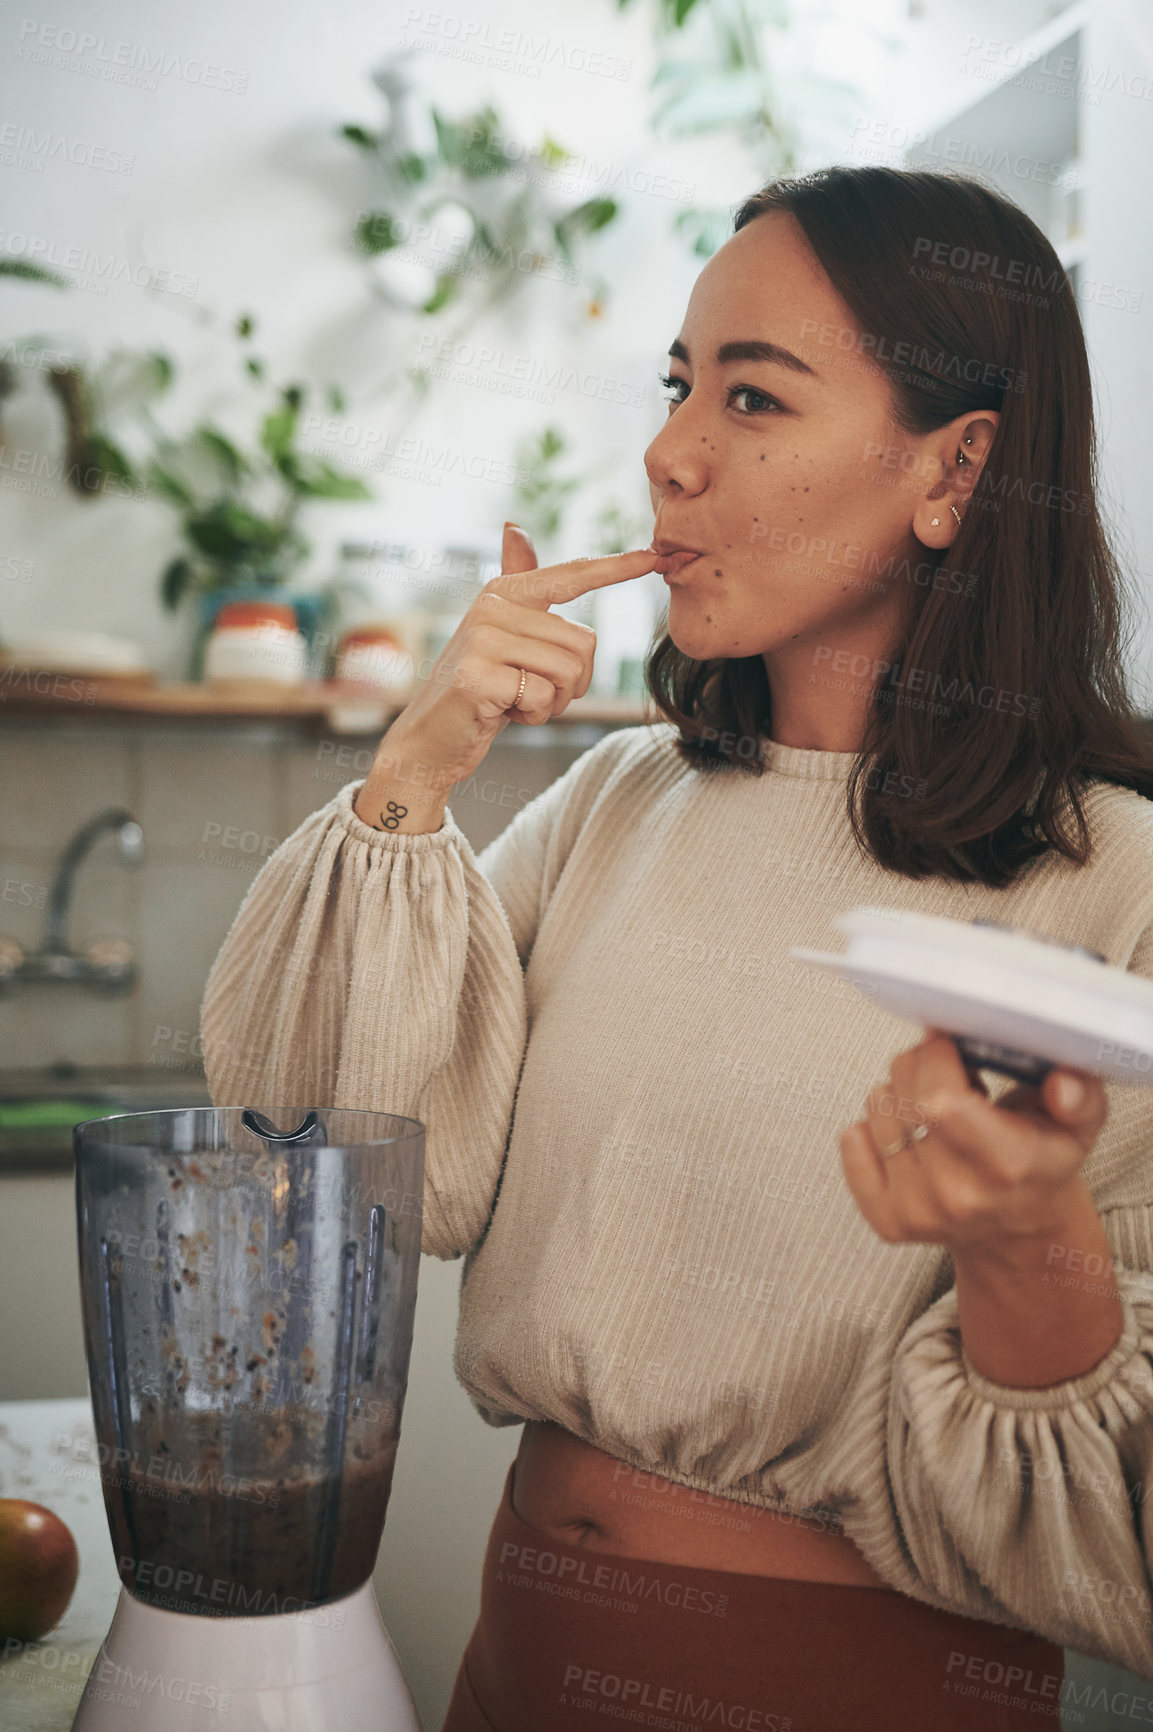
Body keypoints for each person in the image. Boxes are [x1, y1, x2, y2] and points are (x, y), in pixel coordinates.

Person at [200, 165, 1153, 1730]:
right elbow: (327, 1163)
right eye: (675, 385)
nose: (667, 454)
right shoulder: (613, 803)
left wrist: (1019, 1234)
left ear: (956, 471)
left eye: (755, 398)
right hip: (508, 1672)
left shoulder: (1110, 885)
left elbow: (1115, 1521)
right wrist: (409, 778)